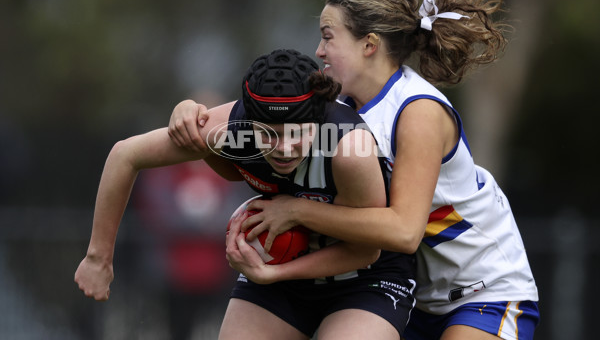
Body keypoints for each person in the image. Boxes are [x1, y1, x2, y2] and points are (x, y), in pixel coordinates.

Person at [167, 0, 539, 340]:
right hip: (416, 295)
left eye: (328, 36)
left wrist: (296, 210)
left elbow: (403, 231)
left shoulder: (417, 112)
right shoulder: (338, 107)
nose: (319, 50)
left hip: (484, 292)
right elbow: (248, 134)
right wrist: (193, 114)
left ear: (369, 45)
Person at [75, 49, 417, 340]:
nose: (283, 148)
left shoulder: (349, 148)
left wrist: (287, 238)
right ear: (248, 122)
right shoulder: (227, 132)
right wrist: (98, 257)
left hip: (365, 278)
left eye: (297, 134)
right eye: (268, 134)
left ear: (318, 121)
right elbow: (125, 155)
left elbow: (366, 249)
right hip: (280, 270)